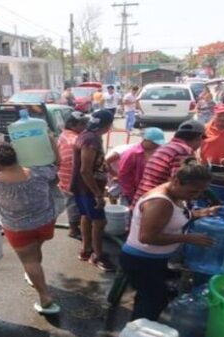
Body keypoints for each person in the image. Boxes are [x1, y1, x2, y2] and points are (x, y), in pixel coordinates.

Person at [122, 159, 218, 321]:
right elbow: (147, 237)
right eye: (193, 192)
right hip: (141, 260)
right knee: (155, 300)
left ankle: (137, 331)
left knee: (148, 297)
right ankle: (137, 334)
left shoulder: (176, 195)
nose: (197, 196)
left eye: (201, 192)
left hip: (155, 260)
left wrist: (204, 212)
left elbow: (178, 216)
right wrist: (188, 238)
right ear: (176, 181)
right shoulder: (160, 202)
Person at [0, 143, 60, 315]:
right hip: (45, 221)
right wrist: (51, 142)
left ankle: (45, 297)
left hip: (17, 227)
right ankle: (34, 275)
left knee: (29, 261)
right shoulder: (40, 172)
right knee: (36, 250)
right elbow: (56, 163)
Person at [71, 110, 117, 271]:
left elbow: (98, 163)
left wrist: (111, 175)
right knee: (99, 221)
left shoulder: (87, 135)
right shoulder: (91, 141)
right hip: (87, 189)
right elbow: (85, 170)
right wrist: (98, 193)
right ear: (107, 125)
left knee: (86, 216)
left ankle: (86, 249)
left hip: (82, 187)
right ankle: (97, 256)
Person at [133, 120, 206, 204]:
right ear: (199, 137)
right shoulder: (183, 151)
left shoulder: (166, 146)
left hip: (143, 198)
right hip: (155, 203)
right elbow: (180, 185)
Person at [57, 112, 88, 238]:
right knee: (74, 205)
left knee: (72, 203)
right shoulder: (74, 141)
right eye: (82, 124)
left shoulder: (65, 134)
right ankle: (74, 229)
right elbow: (74, 164)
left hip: (65, 177)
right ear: (72, 125)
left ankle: (76, 226)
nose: (85, 127)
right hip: (72, 180)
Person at [118, 127, 165, 205]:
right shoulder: (132, 153)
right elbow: (123, 174)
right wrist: (130, 192)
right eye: (154, 143)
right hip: (132, 193)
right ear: (145, 140)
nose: (156, 145)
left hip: (151, 192)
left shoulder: (159, 151)